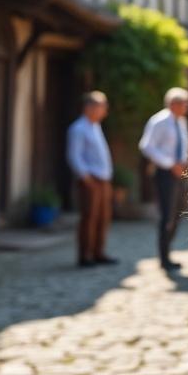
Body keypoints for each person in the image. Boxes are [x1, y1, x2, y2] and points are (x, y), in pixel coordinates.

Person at [139, 87, 188, 271]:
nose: (186, 107)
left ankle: (168, 249)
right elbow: (146, 146)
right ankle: (164, 257)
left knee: (178, 211)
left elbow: (183, 146)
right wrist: (170, 164)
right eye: (183, 103)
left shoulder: (181, 122)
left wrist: (183, 164)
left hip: (179, 172)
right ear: (173, 104)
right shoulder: (159, 121)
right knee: (167, 214)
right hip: (164, 173)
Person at [66, 91, 116, 268]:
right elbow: (74, 155)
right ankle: (85, 255)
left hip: (103, 179)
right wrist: (85, 177)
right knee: (89, 217)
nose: (105, 111)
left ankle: (98, 252)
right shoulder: (78, 128)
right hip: (91, 180)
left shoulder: (95, 126)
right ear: (89, 108)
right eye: (102, 107)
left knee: (103, 217)